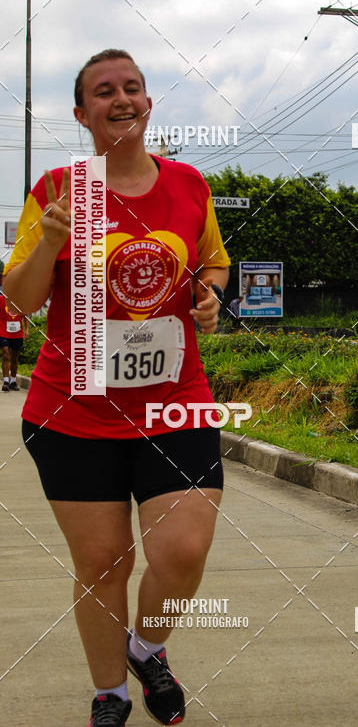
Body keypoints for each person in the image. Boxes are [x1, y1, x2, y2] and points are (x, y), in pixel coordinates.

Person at [3, 49, 230, 727]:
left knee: (183, 551)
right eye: (104, 92)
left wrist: (210, 295)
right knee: (104, 562)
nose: (121, 99)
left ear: (149, 102)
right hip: (73, 412)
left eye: (132, 87)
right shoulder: (58, 189)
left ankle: (146, 647)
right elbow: (19, 299)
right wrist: (49, 241)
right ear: (82, 114)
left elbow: (212, 262)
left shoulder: (189, 184)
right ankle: (111, 692)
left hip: (175, 402)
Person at [0, 276, 29, 392]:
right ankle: (6, 381)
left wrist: (27, 329)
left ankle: (13, 381)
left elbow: (26, 315)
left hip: (17, 333)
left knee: (15, 358)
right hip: (3, 332)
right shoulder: (1, 299)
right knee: (6, 354)